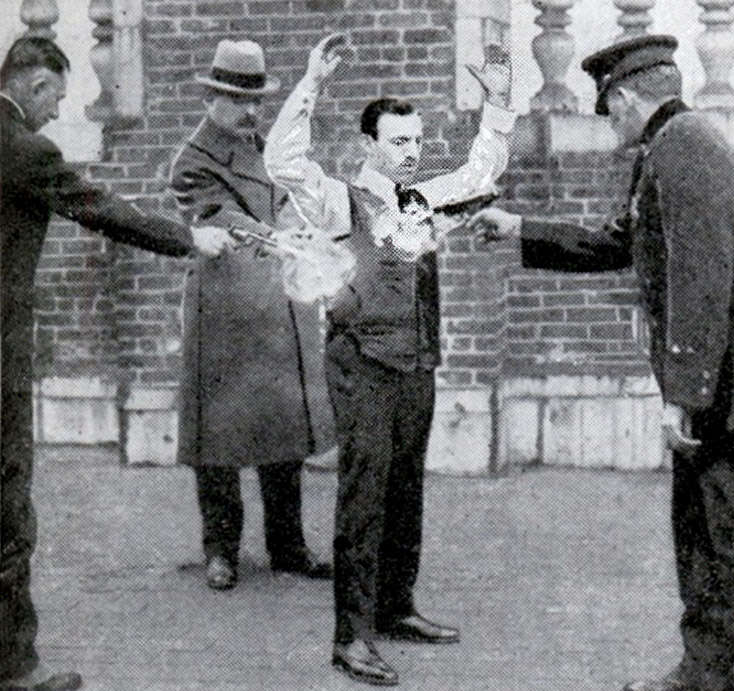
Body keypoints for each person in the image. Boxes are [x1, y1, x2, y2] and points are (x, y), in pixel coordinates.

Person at [470, 35, 734, 691]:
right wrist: (519, 227)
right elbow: (618, 242)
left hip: (730, 401)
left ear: (628, 98)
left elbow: (700, 280)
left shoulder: (684, 147)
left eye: (609, 110)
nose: (609, 126)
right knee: (701, 546)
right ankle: (704, 675)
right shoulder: (673, 145)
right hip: (719, 394)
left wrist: (683, 396)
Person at [264, 34, 516, 686]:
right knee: (364, 495)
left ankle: (396, 608)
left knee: (406, 491)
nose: (412, 152)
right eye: (399, 141)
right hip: (361, 365)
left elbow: (481, 174)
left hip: (415, 365)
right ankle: (350, 637)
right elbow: (283, 162)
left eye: (417, 140)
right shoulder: (338, 199)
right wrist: (312, 81)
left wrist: (497, 103)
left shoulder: (424, 202)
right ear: (371, 145)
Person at [0, 37, 234, 691]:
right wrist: (190, 237)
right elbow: (102, 210)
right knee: (8, 507)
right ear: (36, 84)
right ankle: (14, 665)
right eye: (56, 99)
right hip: (2, 360)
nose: (55, 114)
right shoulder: (25, 149)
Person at [169, 39, 333, 592]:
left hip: (276, 306)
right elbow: (226, 219)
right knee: (219, 438)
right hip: (224, 310)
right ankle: (221, 549)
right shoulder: (193, 162)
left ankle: (287, 545)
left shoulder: (265, 149)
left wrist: (305, 229)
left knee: (283, 429)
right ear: (212, 98)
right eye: (239, 99)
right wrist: (288, 239)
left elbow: (290, 199)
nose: (251, 110)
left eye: (257, 99)